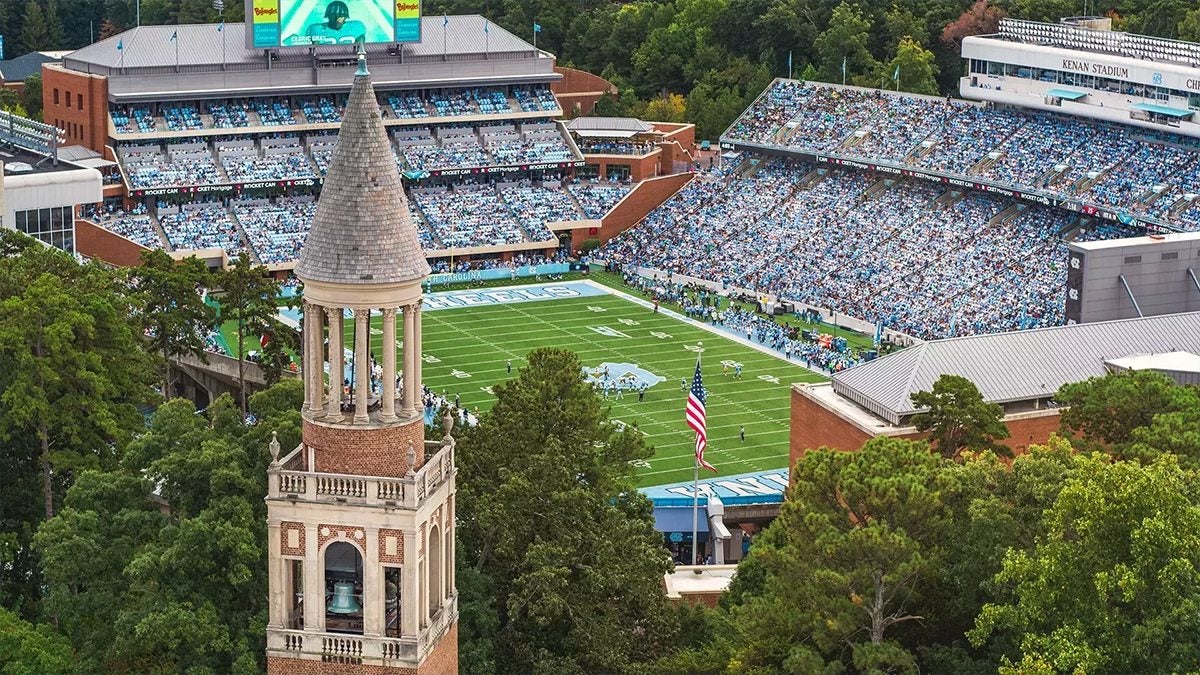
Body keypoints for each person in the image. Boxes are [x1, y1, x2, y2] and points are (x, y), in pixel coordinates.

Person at [299, 1, 368, 45]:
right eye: (333, 16)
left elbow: (361, 49)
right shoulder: (316, 29)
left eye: (340, 16)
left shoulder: (356, 27)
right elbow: (312, 51)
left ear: (346, 17)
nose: (337, 19)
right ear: (328, 16)